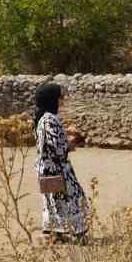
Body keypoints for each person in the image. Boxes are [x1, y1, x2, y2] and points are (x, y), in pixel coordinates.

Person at [34, 82, 88, 244]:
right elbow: (58, 148)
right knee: (73, 198)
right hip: (57, 169)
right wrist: (73, 142)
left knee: (53, 200)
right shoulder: (50, 119)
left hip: (46, 169)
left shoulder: (40, 117)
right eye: (60, 98)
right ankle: (78, 234)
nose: (62, 101)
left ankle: (55, 232)